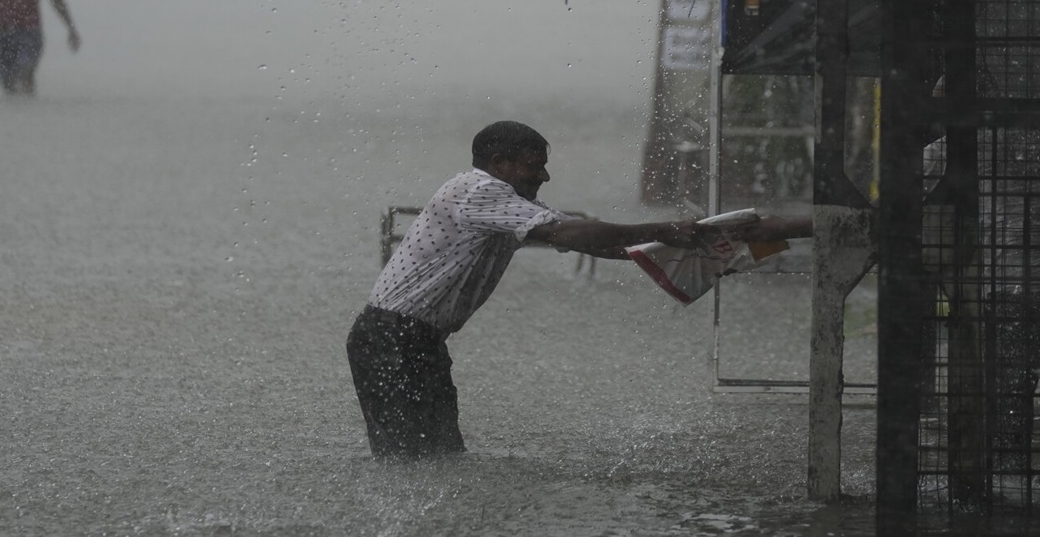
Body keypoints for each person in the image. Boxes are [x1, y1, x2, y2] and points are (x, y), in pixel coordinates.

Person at [346, 121, 811, 459]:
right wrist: (664, 229)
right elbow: (566, 235)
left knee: (441, 456)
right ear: (499, 163)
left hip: (416, 340)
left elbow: (594, 240)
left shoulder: (507, 201)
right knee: (406, 462)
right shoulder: (478, 191)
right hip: (391, 338)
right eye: (534, 168)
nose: (543, 177)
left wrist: (699, 250)